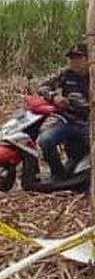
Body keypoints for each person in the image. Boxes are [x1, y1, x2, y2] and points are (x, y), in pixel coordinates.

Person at [36, 42, 89, 181]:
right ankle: (58, 176)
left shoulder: (93, 75)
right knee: (46, 139)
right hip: (69, 121)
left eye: (79, 58)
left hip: (90, 124)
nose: (74, 62)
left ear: (89, 59)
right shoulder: (65, 74)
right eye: (71, 58)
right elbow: (42, 87)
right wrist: (55, 97)